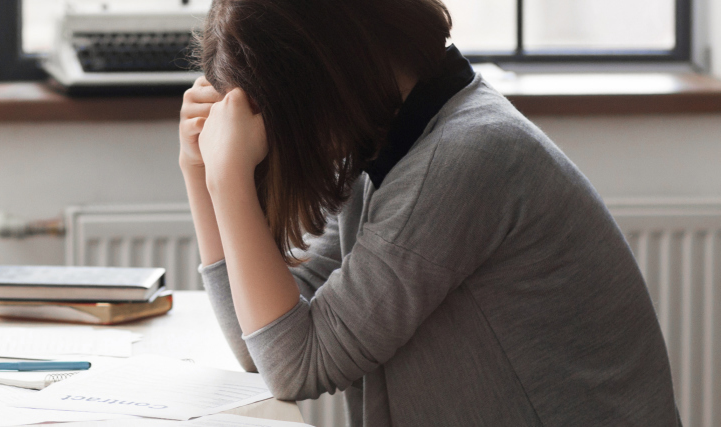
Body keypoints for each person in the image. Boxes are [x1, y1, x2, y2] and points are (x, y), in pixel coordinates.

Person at [179, 0, 681, 425]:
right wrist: (201, 172)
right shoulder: (390, 143)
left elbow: (296, 364)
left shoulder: (462, 158)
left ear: (323, 76)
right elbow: (264, 345)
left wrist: (229, 181)